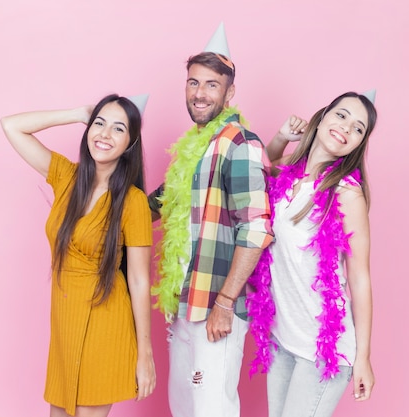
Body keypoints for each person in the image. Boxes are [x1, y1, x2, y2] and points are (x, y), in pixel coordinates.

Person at [0, 94, 156, 417]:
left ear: (130, 144)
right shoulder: (66, 177)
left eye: (118, 129)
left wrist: (145, 354)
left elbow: (140, 280)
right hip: (65, 322)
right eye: (99, 124)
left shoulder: (133, 201)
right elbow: (12, 127)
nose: (104, 134)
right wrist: (75, 113)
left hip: (105, 322)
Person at [148, 24, 274, 417]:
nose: (199, 93)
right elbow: (157, 203)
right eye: (192, 83)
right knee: (185, 407)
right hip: (185, 302)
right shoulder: (193, 147)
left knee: (210, 407)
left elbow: (256, 228)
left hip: (214, 309)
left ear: (229, 92)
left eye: (211, 85)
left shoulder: (240, 143)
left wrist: (224, 302)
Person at [247, 91, 377, 417]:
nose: (347, 128)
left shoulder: (346, 193)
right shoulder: (287, 178)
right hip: (282, 337)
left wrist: (363, 357)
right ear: (322, 117)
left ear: (358, 144)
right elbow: (255, 169)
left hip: (322, 351)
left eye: (359, 128)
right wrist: (280, 138)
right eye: (342, 115)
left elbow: (359, 277)